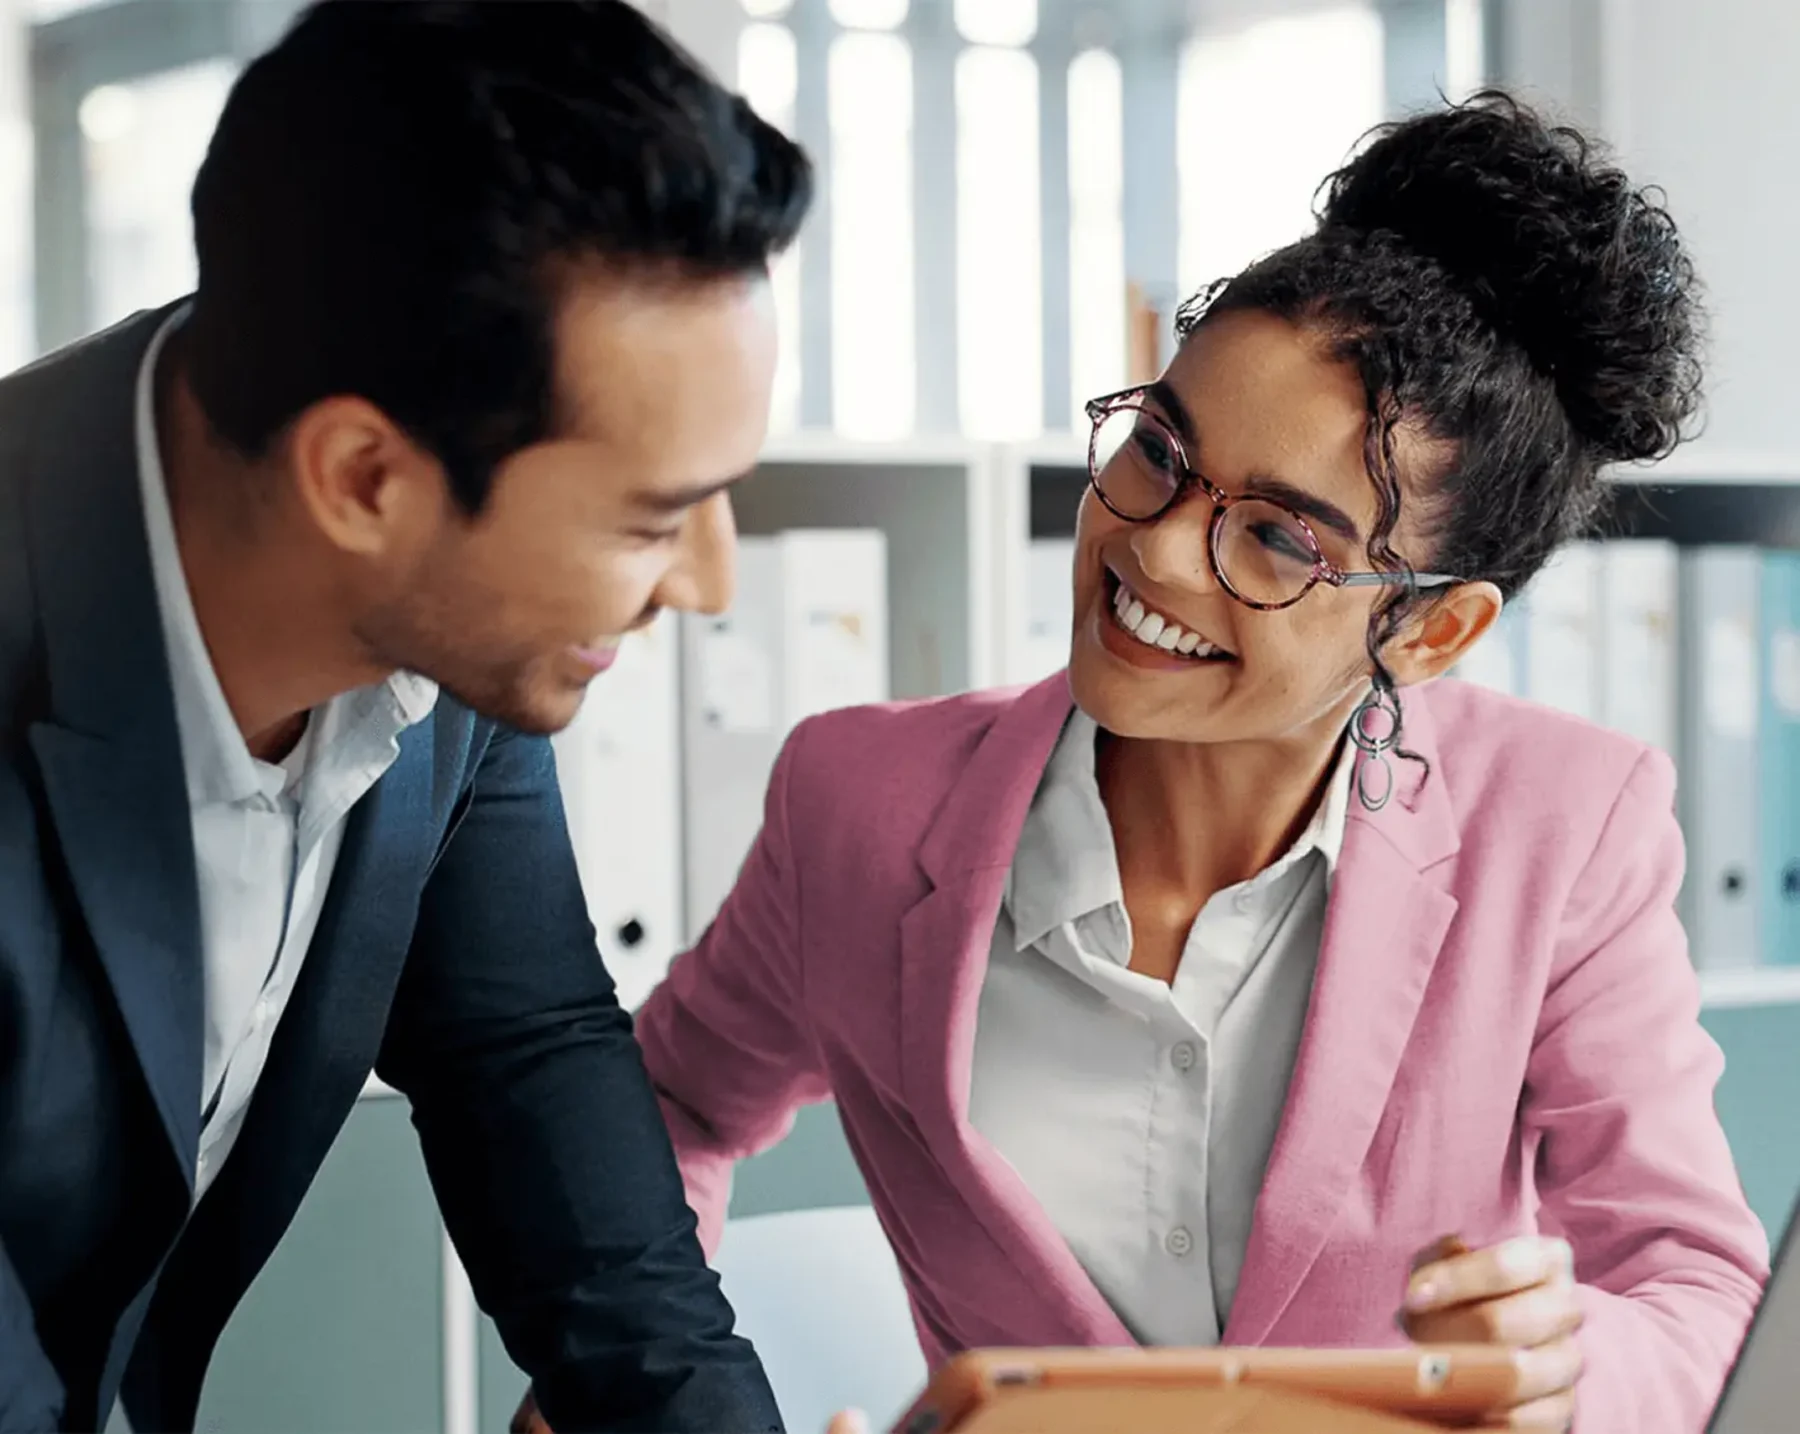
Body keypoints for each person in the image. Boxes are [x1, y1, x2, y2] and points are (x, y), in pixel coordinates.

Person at [622, 94, 1768, 1434]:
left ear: (1432, 627)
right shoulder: (860, 805)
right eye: (1159, 452)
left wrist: (1564, 1368)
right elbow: (670, 1101)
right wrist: (650, 1385)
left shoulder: (1564, 827)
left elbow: (1696, 1285)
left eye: (1283, 538)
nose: (1158, 550)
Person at [0, 2, 813, 1430]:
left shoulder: (438, 627)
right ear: (365, 478)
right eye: (651, 520)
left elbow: (525, 1047)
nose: (708, 582)